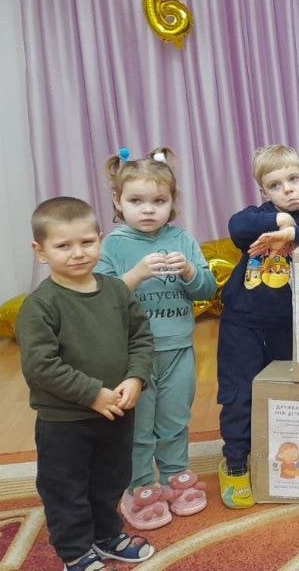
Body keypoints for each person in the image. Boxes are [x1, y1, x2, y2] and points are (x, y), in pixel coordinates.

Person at [16, 197, 157, 570]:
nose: (77, 253)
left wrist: (136, 376)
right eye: (63, 246)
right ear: (40, 251)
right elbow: (40, 365)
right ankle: (76, 551)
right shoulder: (40, 306)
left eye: (87, 242)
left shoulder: (117, 291)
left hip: (117, 412)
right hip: (65, 422)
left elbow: (141, 339)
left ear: (100, 239)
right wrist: (92, 393)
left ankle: (106, 535)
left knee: (111, 479)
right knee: (66, 489)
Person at [217, 145, 299, 509]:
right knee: (239, 394)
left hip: (290, 327)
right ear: (264, 191)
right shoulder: (257, 218)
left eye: (293, 179)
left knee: (286, 393)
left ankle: (281, 458)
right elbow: (237, 226)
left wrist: (290, 233)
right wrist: (279, 221)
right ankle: (235, 462)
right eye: (275, 185)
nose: (287, 189)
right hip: (242, 323)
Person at [97, 148, 217, 529]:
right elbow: (103, 299)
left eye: (159, 201)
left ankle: (175, 475)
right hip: (133, 357)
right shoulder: (113, 245)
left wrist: (189, 273)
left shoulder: (183, 240)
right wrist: (136, 275)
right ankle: (139, 486)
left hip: (178, 349)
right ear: (118, 200)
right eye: (136, 201)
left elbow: (207, 289)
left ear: (172, 202)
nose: (148, 210)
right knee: (139, 425)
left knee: (175, 417)